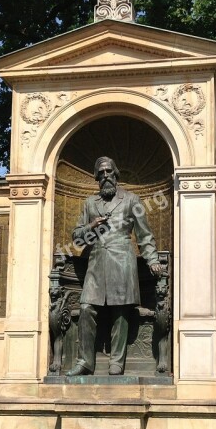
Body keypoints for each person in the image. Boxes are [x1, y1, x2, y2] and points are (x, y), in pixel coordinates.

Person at [66, 156, 161, 376]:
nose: (105, 176)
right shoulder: (90, 203)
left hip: (122, 260)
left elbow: (144, 235)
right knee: (86, 308)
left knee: (121, 311)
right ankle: (84, 362)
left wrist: (153, 259)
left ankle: (116, 362)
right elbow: (77, 239)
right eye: (101, 173)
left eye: (109, 172)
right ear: (97, 178)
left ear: (116, 174)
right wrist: (91, 226)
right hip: (96, 262)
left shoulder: (131, 200)